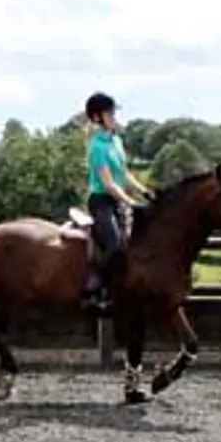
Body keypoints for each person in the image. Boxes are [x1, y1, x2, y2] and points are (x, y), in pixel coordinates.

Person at [82, 91, 147, 312]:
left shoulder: (116, 141)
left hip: (117, 200)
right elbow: (109, 184)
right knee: (114, 243)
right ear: (97, 117)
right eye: (109, 113)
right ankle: (93, 287)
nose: (113, 117)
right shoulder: (96, 147)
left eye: (112, 113)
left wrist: (144, 191)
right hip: (101, 201)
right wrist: (130, 201)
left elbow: (125, 173)